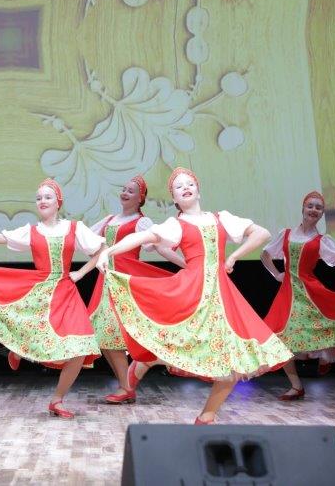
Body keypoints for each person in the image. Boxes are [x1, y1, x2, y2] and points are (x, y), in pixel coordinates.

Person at [96, 167, 292, 424]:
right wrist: (108, 252)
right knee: (175, 341)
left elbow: (262, 233)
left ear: (198, 190)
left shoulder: (221, 219)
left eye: (189, 184)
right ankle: (144, 372)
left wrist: (233, 256)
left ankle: (207, 415)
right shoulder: (176, 225)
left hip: (222, 297)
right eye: (178, 187)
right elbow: (143, 235)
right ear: (174, 199)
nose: (185, 188)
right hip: (191, 291)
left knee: (233, 361)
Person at [0, 179, 103, 418]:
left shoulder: (75, 228)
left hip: (66, 292)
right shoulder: (31, 231)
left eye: (48, 197)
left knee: (81, 348)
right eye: (39, 198)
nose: (42, 201)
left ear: (58, 202)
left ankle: (57, 399)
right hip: (39, 292)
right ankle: (20, 350)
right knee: (36, 330)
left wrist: (81, 273)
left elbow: (100, 250)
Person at [82, 176, 185, 404]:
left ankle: (128, 385)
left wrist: (187, 266)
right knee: (104, 337)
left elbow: (161, 248)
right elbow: (86, 240)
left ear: (141, 198)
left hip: (125, 282)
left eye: (131, 191)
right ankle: (126, 387)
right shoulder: (109, 220)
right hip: (106, 282)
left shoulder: (142, 222)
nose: (125, 193)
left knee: (113, 336)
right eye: (124, 189)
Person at [261, 191, 335, 400]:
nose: (313, 210)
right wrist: (276, 274)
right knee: (276, 339)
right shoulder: (285, 234)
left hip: (310, 292)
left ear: (322, 214)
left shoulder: (322, 241)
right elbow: (265, 255)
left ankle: (323, 357)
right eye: (310, 206)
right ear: (303, 208)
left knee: (319, 325)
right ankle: (297, 385)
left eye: (318, 208)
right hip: (287, 294)